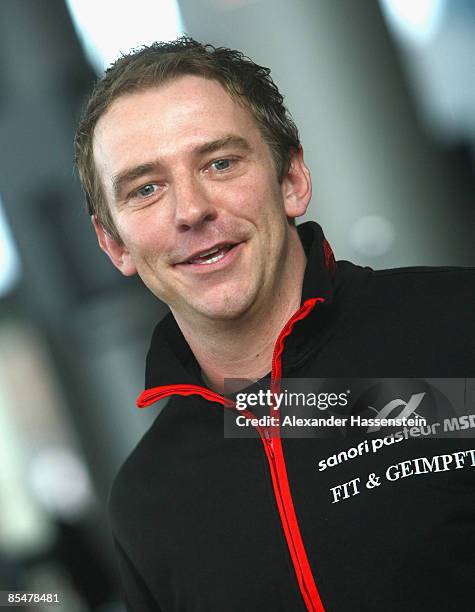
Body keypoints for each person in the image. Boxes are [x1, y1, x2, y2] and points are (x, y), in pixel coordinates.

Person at [75, 37, 475, 612]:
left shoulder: (458, 326)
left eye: (220, 162)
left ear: (291, 180)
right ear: (115, 244)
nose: (191, 210)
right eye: (146, 189)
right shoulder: (148, 499)